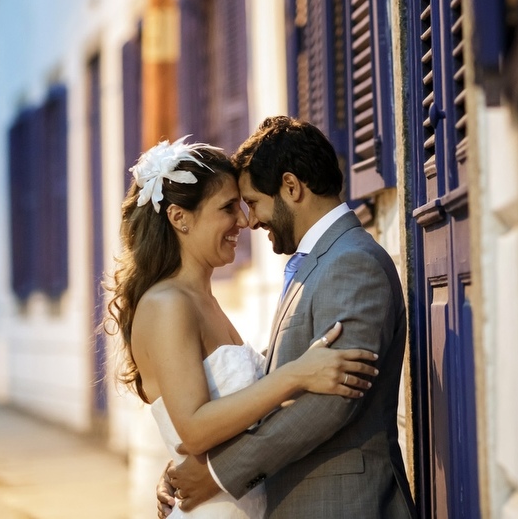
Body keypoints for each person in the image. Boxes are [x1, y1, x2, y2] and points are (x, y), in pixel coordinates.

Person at [104, 136, 379, 519]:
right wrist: (295, 375)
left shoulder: (204, 301)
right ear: (179, 218)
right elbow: (195, 430)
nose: (244, 221)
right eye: (228, 208)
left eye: (244, 205)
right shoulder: (167, 304)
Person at [161, 117, 416, 518]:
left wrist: (216, 474)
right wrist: (189, 470)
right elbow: (272, 378)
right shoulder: (315, 262)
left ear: (291, 187)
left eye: (253, 202)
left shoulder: (351, 263)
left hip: (345, 505)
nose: (250, 220)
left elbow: (329, 404)